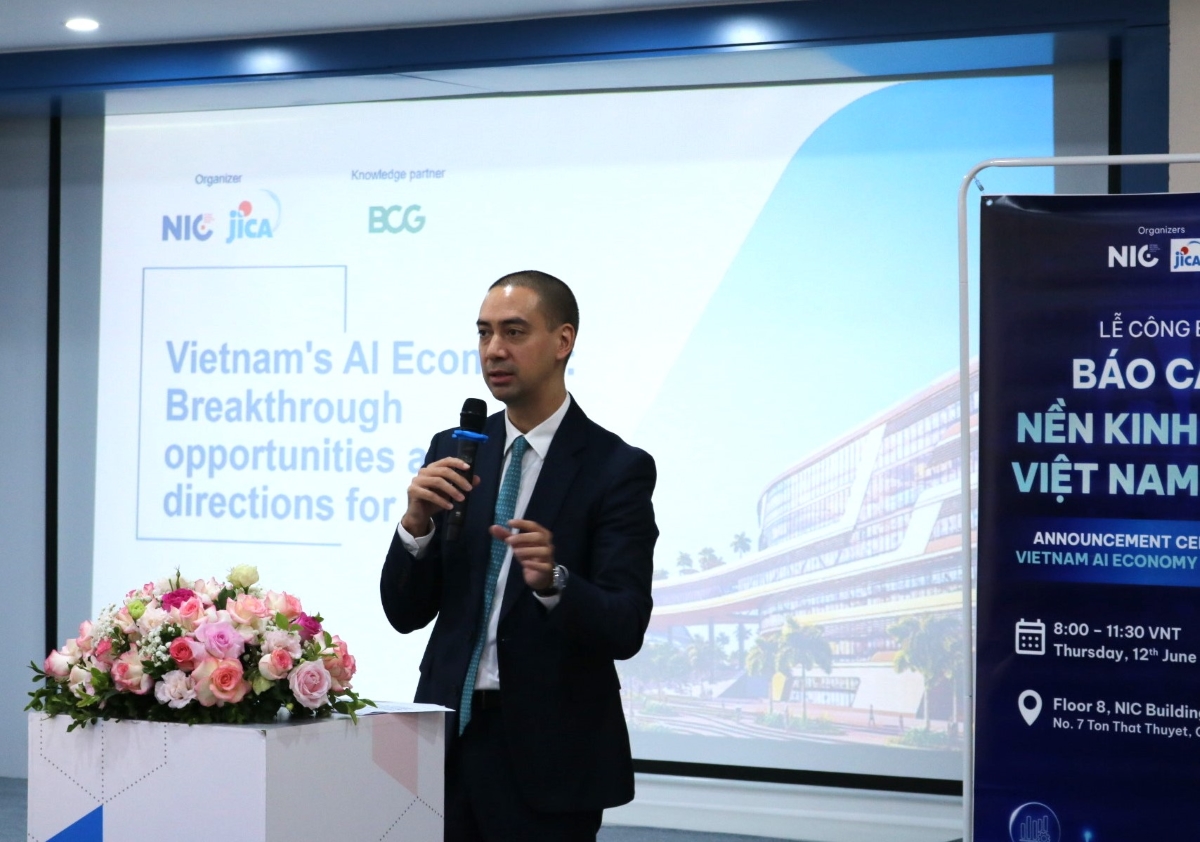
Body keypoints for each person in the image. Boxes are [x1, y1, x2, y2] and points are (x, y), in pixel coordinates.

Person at [380, 270, 658, 841]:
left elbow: (625, 624)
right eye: (484, 333)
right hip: (445, 746)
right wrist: (415, 525)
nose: (494, 350)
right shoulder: (456, 450)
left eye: (513, 331)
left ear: (563, 341)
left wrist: (555, 581)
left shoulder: (615, 468)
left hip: (549, 760)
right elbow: (405, 614)